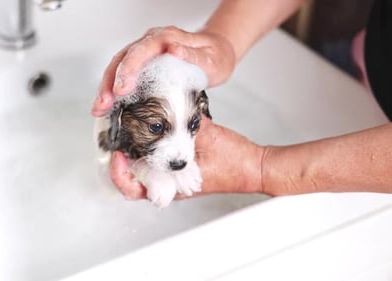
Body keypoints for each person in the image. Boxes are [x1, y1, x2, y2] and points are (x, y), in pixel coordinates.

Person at [91, 0, 392, 200]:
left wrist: (262, 169)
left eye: (193, 124)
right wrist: (222, 40)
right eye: (157, 127)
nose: (181, 154)